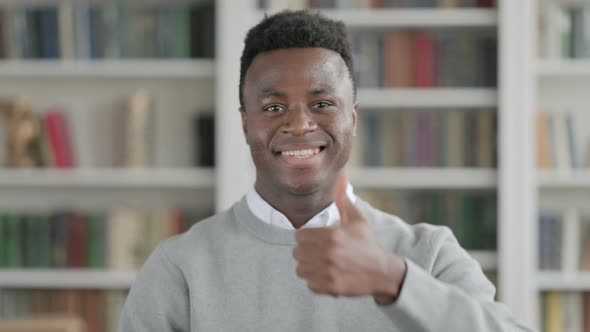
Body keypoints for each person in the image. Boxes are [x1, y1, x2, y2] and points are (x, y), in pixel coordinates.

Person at [120, 10, 534, 332]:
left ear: (352, 118)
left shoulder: (428, 254)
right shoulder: (180, 267)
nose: (299, 125)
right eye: (273, 107)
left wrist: (395, 281)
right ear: (245, 123)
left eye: (322, 104)